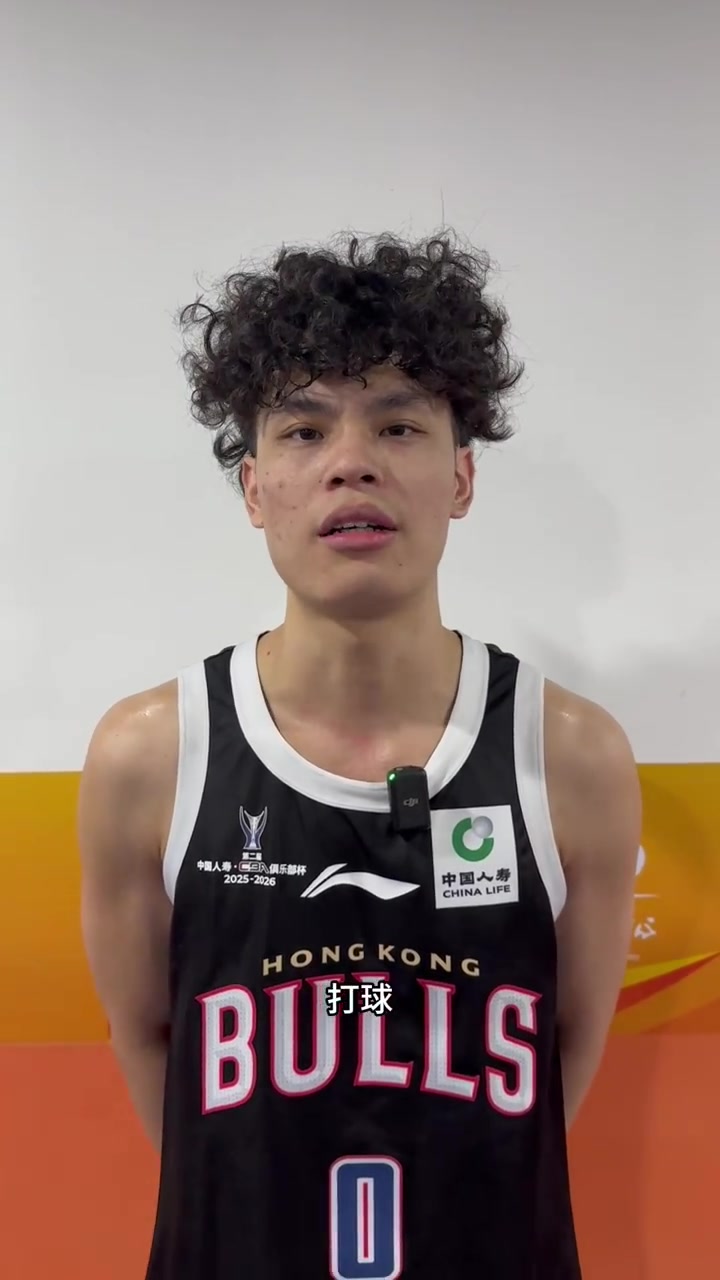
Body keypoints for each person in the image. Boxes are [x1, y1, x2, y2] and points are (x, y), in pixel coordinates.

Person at [78, 231, 642, 1279]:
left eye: (398, 423)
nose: (351, 460)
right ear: (255, 489)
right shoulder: (149, 755)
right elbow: (155, 1046)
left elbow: (561, 1056)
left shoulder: (573, 756)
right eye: (304, 428)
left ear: (461, 476)